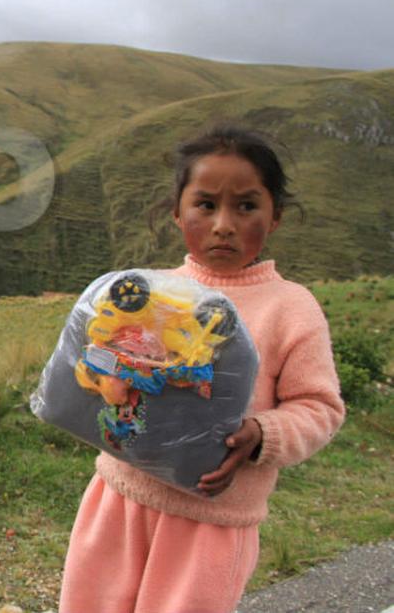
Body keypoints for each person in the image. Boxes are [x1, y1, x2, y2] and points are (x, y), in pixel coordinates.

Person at [58, 124, 346, 613]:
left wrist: (263, 432)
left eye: (247, 206)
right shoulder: (150, 292)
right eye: (206, 204)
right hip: (118, 498)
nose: (224, 224)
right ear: (177, 212)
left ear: (274, 216)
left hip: (211, 522)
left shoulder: (291, 308)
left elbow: (320, 407)